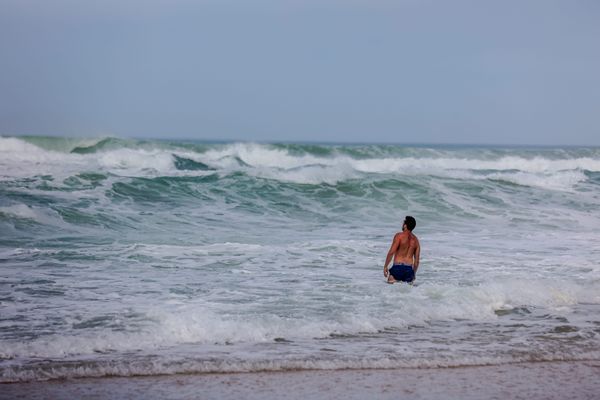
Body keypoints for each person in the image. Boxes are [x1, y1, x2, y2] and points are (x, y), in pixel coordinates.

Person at [383, 216, 420, 284]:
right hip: (409, 269)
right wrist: (413, 274)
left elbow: (391, 252)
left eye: (403, 223)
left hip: (397, 268)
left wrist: (385, 266)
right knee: (407, 292)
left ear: (405, 225)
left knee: (390, 291)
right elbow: (417, 261)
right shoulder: (416, 241)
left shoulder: (399, 236)